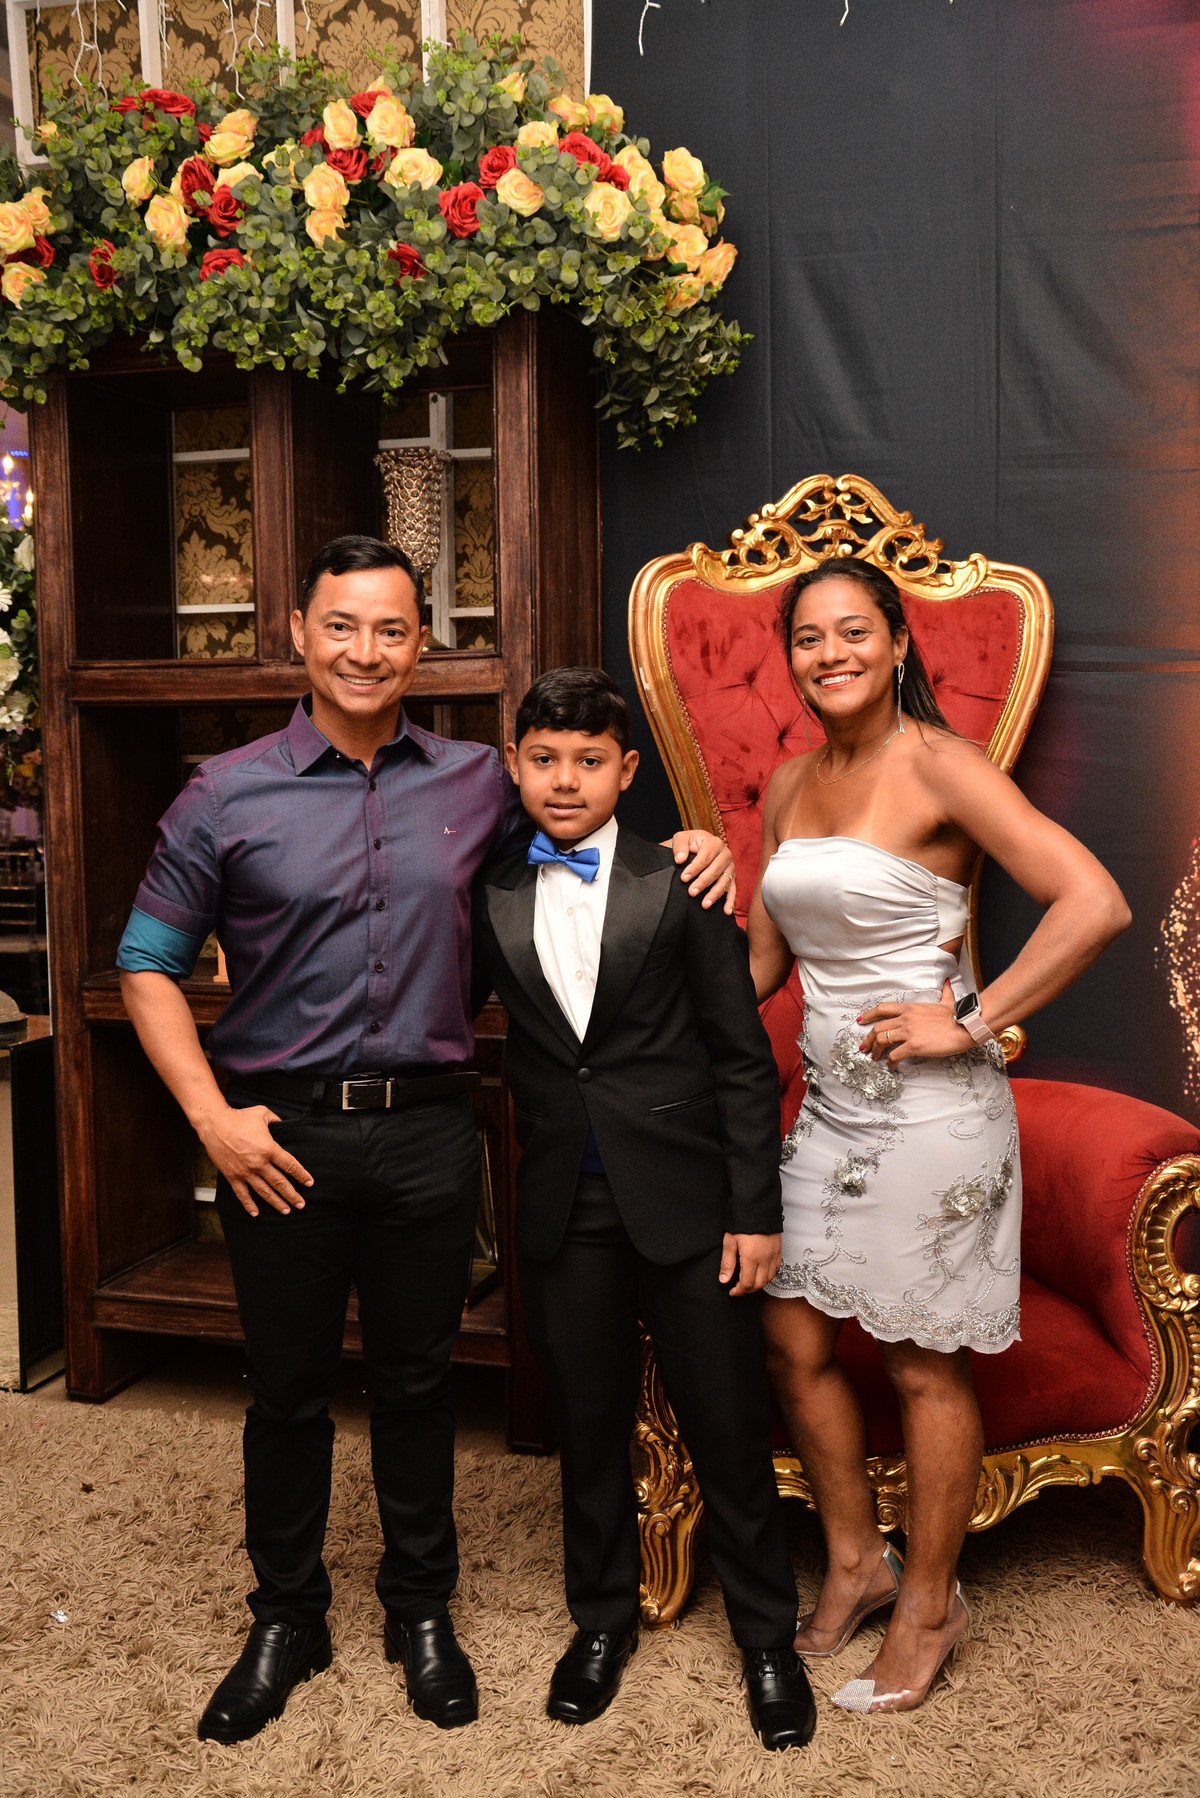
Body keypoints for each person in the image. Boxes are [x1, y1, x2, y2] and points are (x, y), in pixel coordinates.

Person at [115, 536, 733, 1745]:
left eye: (391, 629)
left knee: (416, 1382)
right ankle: (287, 1616)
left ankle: (421, 1609)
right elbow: (145, 963)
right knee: (287, 1392)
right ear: (299, 633)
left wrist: (689, 846)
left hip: (433, 1131)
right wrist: (210, 1118)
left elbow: (580, 850)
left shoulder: (477, 783)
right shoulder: (224, 793)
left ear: (421, 645)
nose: (365, 651)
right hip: (278, 1139)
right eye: (342, 626)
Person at [748, 560, 1130, 1716]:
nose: (831, 654)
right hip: (828, 1112)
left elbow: (1095, 900)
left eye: (853, 631)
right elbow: (759, 967)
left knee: (923, 1362)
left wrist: (969, 1018)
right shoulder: (789, 783)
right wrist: (668, 900)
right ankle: (854, 1560)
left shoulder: (942, 765)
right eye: (808, 637)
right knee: (791, 1340)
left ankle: (928, 1603)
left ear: (898, 641)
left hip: (934, 1118)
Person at [473, 665, 816, 1752]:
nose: (564, 780)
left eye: (589, 761)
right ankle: (600, 1622)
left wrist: (755, 1211)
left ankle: (766, 1638)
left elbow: (740, 1057)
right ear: (514, 764)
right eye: (543, 759)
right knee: (588, 1423)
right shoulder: (489, 887)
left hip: (689, 1201)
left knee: (726, 1420)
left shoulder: (684, 880)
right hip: (561, 1200)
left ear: (626, 771)